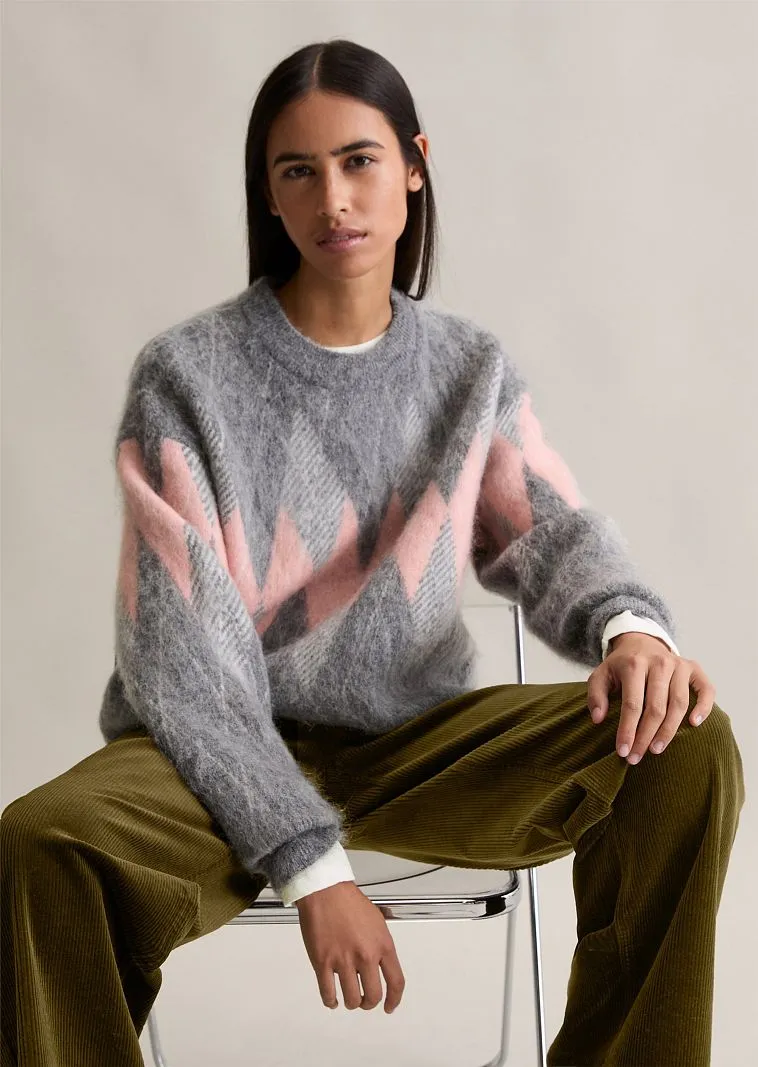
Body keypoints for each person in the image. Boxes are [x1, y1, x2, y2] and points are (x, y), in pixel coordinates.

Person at [1, 37, 745, 1067]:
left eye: (358, 160)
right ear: (268, 195)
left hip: (418, 749)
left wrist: (631, 631)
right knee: (43, 841)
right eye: (297, 171)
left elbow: (551, 528)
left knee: (683, 745)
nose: (334, 200)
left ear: (413, 165)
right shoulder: (188, 376)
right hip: (212, 759)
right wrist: (313, 865)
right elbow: (181, 659)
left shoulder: (467, 368)